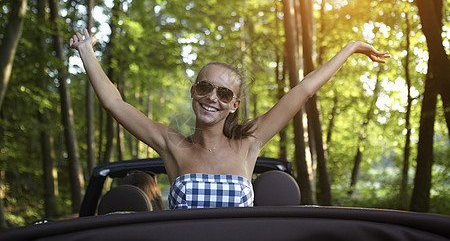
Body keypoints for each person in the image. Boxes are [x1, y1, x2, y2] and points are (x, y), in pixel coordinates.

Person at [70, 28, 390, 209]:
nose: (213, 97)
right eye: (206, 87)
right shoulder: (172, 144)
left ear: (234, 104)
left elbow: (304, 89)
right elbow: (114, 103)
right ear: (194, 91)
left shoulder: (249, 143)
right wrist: (86, 50)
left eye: (224, 94)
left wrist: (349, 49)